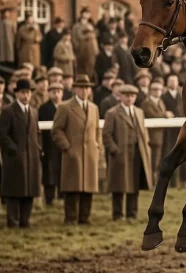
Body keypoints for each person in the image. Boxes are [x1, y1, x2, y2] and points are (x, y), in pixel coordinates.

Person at [51, 74, 101, 226]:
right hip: (73, 153)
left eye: (87, 88)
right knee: (72, 187)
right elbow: (57, 130)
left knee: (88, 187)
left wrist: (97, 146)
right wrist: (67, 146)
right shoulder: (65, 107)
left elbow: (97, 130)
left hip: (90, 153)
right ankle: (71, 218)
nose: (85, 91)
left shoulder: (94, 108)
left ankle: (84, 217)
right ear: (75, 89)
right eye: (81, 88)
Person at [103, 84, 152, 221]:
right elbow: (106, 135)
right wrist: (114, 150)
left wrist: (145, 147)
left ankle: (132, 213)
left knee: (134, 184)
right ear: (120, 97)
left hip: (137, 153)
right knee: (118, 184)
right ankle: (117, 214)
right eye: (126, 96)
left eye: (132, 96)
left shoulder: (139, 112)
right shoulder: (112, 113)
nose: (129, 99)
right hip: (120, 154)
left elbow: (143, 132)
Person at [0, 78, 41, 228]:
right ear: (17, 94)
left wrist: (38, 149)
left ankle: (25, 220)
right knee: (14, 191)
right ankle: (13, 221)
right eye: (23, 92)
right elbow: (2, 134)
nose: (26, 96)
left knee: (29, 191)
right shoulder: (8, 111)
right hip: (14, 158)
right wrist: (13, 149)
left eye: (28, 93)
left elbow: (37, 133)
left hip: (31, 158)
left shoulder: (33, 112)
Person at [38, 80, 63, 206]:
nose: (56, 95)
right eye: (54, 92)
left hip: (62, 145)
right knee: (49, 173)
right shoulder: (43, 108)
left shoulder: (65, 107)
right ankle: (49, 198)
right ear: (49, 93)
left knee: (62, 170)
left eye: (58, 92)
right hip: (49, 145)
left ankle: (62, 195)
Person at [141, 78, 167, 177]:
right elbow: (152, 115)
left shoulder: (160, 102)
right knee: (152, 160)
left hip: (160, 135)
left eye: (159, 89)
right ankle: (150, 181)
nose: (157, 92)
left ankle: (155, 180)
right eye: (155, 89)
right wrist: (165, 115)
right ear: (150, 90)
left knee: (157, 159)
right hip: (151, 136)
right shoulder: (146, 103)